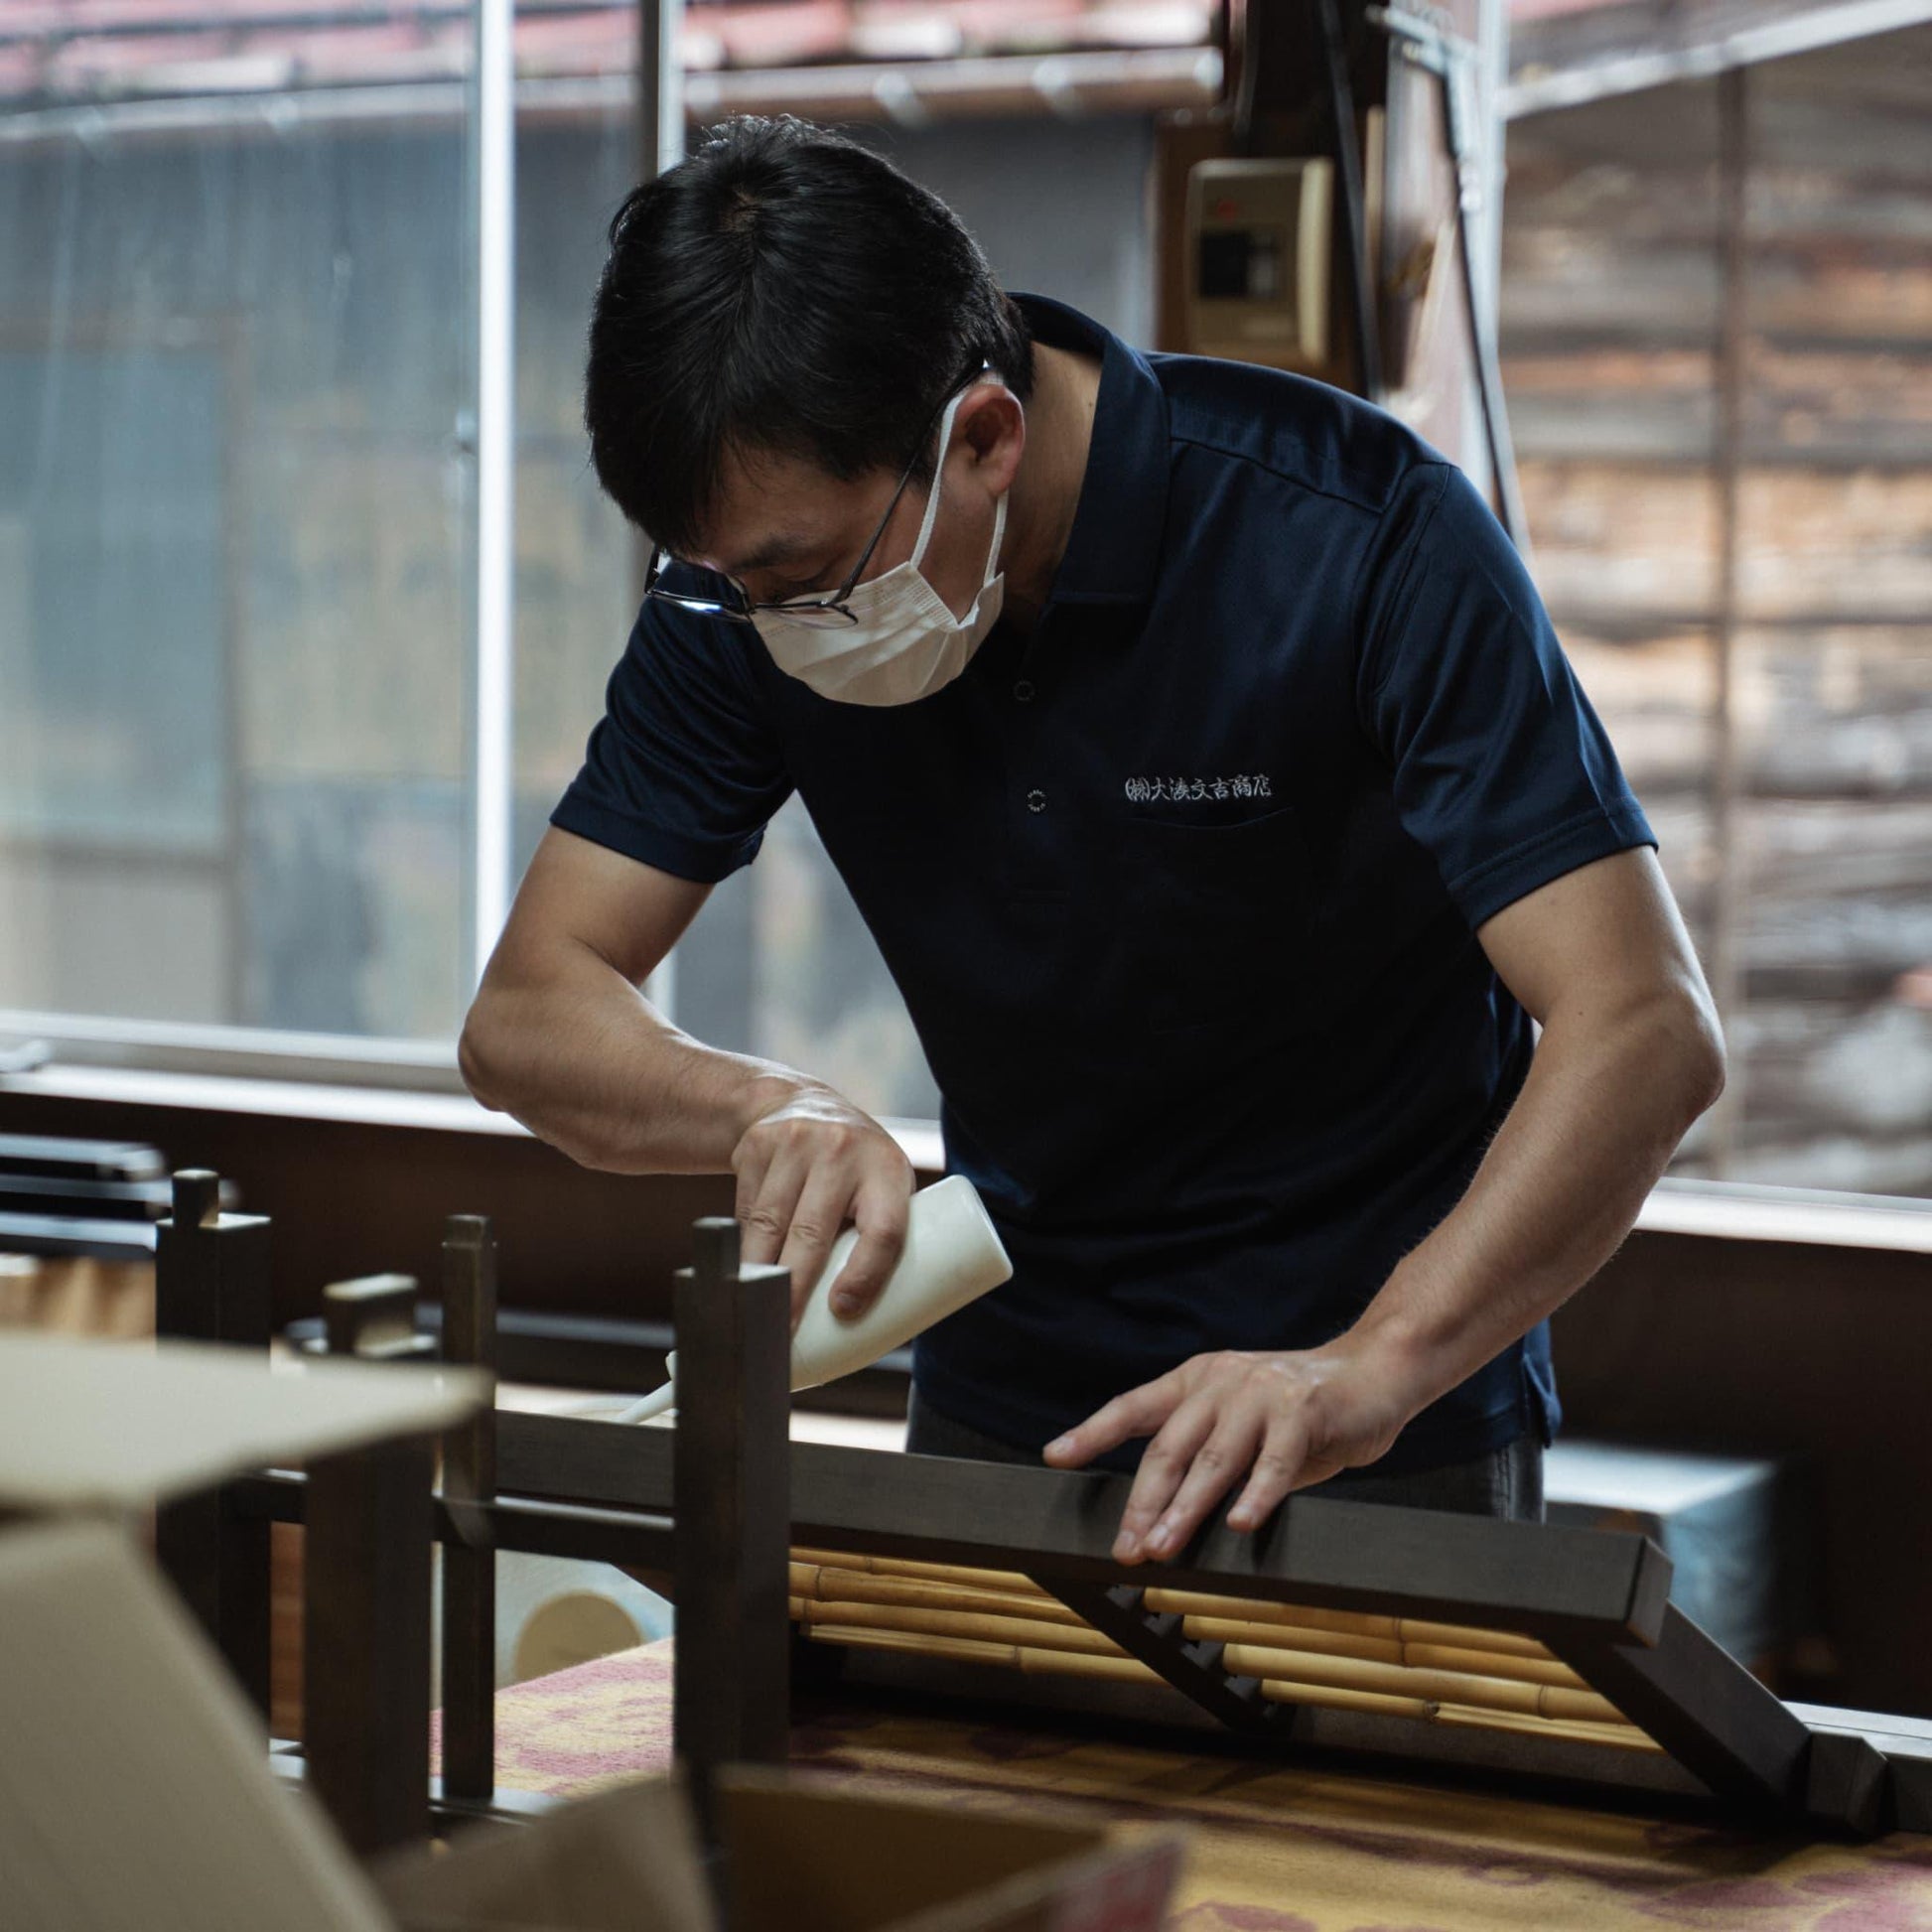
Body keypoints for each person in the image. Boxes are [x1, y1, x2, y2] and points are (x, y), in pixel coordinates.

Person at [460, 116, 1725, 1564]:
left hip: (1377, 1422)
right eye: (727, 581)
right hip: (1012, 1410)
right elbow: (526, 1014)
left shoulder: (1355, 538)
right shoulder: (748, 605)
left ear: (981, 437)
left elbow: (1641, 1026)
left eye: (799, 575)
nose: (766, 623)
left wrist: (1368, 1368)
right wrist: (768, 1109)